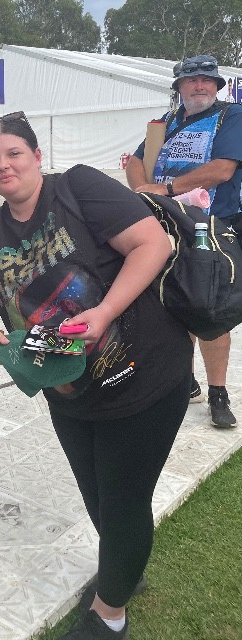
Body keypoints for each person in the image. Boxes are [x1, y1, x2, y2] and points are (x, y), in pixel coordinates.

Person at [0, 112, 192, 640]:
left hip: (144, 375)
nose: (3, 165)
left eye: (14, 153)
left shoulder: (78, 188)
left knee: (123, 500)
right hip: (67, 389)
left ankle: (110, 619)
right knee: (98, 497)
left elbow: (152, 244)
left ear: (37, 157)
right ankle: (123, 571)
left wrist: (105, 311)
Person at [126, 54, 242, 429]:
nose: (200, 85)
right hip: (168, 226)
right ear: (179, 87)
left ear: (217, 86)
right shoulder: (166, 122)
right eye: (191, 80)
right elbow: (135, 162)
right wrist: (144, 191)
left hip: (213, 227)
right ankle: (185, 380)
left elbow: (223, 169)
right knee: (173, 306)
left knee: (210, 312)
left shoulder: (231, 116)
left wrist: (168, 188)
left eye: (207, 80)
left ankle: (218, 393)